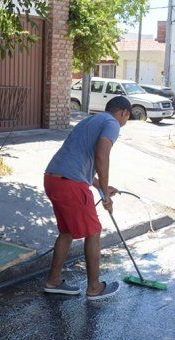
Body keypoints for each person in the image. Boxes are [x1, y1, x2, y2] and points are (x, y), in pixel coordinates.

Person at [43, 95, 131, 300]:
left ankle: (53, 281)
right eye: (127, 118)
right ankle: (94, 287)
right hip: (71, 184)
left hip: (53, 179)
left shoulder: (90, 121)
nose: (125, 123)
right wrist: (106, 198)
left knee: (66, 232)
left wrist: (103, 188)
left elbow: (80, 162)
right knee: (94, 231)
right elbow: (102, 155)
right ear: (123, 113)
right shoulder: (112, 123)